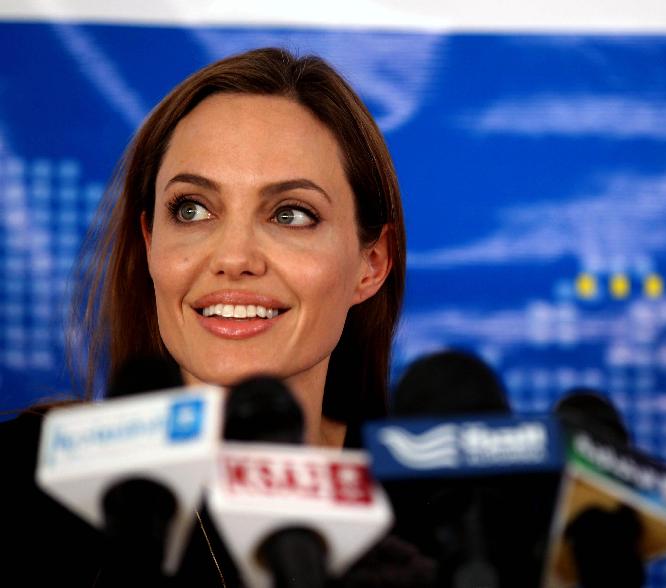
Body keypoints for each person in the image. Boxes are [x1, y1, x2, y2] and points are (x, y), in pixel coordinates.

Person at [3, 47, 425, 586]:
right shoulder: (26, 480)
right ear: (151, 243)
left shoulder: (437, 505)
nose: (233, 259)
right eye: (192, 209)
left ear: (371, 264)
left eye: (291, 214)